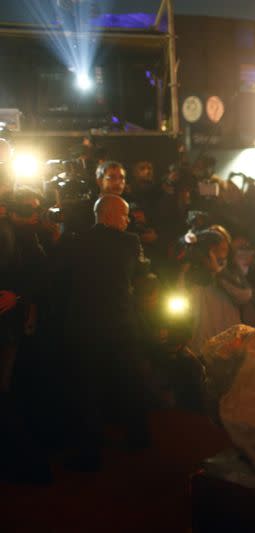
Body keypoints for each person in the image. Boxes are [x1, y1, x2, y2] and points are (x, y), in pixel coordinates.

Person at [62, 194, 152, 471]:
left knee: (87, 391)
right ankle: (139, 439)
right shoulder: (129, 243)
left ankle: (88, 453)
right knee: (131, 385)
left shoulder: (75, 243)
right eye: (124, 215)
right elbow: (142, 276)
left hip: (85, 326)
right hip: (122, 324)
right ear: (109, 214)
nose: (127, 221)